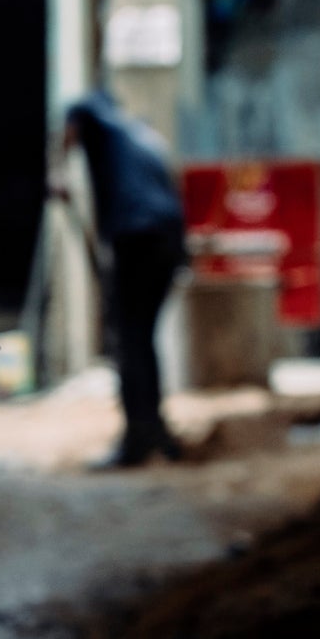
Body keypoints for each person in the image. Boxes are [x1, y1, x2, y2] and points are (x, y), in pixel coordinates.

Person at [65, 90, 187, 467]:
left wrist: (57, 166)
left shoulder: (95, 122)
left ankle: (137, 439)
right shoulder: (138, 133)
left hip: (138, 238)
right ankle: (155, 430)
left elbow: (75, 118)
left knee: (129, 340)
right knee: (141, 338)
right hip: (168, 239)